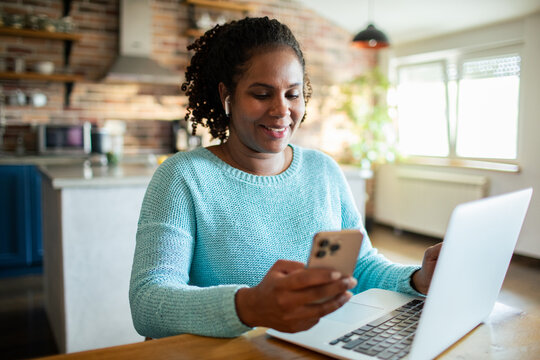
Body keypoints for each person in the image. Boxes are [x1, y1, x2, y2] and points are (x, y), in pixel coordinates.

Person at [129, 16, 441, 339]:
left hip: (316, 348)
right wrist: (248, 306)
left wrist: (418, 278)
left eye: (292, 94)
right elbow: (148, 301)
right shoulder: (183, 177)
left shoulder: (323, 172)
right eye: (262, 94)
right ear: (227, 96)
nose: (281, 110)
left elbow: (360, 268)